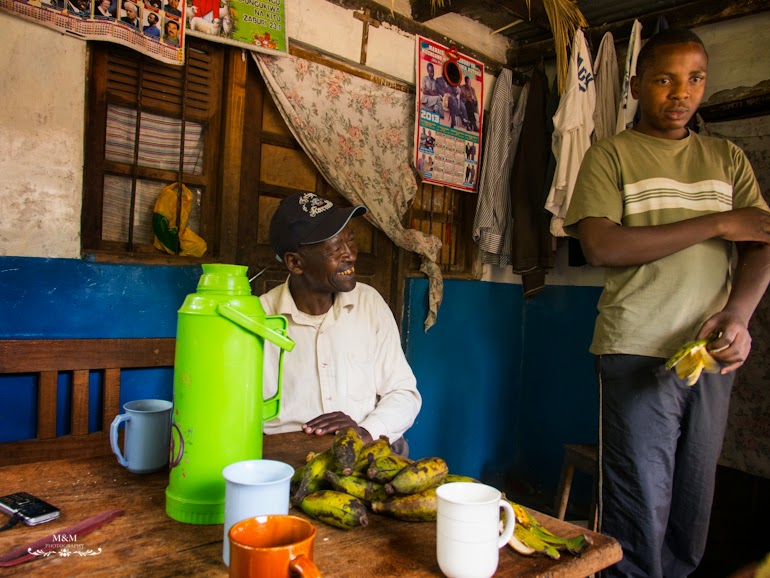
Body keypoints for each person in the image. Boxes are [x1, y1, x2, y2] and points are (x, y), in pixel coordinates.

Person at [563, 28, 770, 577]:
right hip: (635, 346)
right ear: (636, 86)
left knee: (691, 504)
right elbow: (603, 245)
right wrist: (718, 223)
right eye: (664, 80)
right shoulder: (612, 154)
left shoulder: (726, 158)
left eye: (695, 79)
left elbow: (761, 241)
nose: (681, 93)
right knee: (636, 503)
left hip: (710, 352)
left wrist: (739, 315)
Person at [260, 192, 422, 455]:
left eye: (351, 240)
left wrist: (365, 432)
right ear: (295, 262)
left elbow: (403, 393)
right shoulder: (259, 319)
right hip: (288, 458)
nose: (350, 255)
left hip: (365, 450)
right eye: (336, 248)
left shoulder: (369, 304)